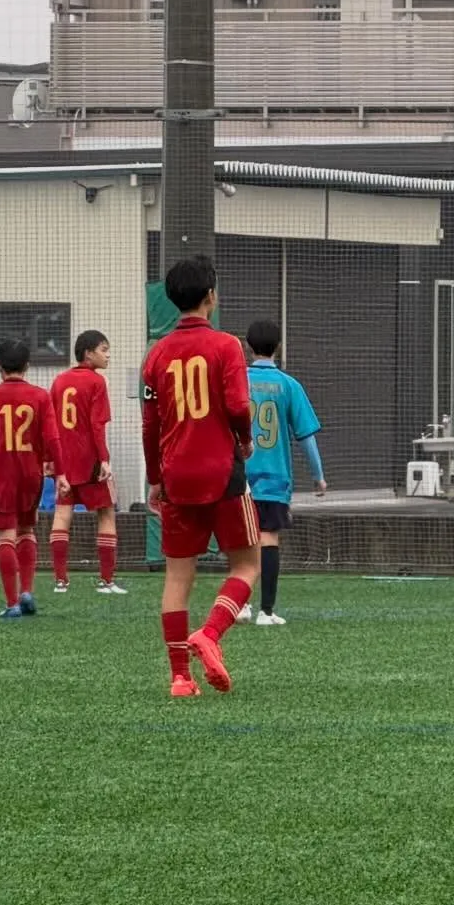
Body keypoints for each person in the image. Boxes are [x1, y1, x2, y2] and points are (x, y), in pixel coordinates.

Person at [141, 255, 261, 697]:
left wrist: (156, 477)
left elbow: (150, 425)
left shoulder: (156, 354)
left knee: (177, 577)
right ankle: (209, 634)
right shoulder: (226, 345)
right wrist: (244, 440)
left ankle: (180, 678)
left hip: (176, 474)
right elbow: (238, 406)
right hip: (222, 470)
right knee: (247, 564)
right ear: (211, 295)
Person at [0, 339, 69, 619]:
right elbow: (53, 439)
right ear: (27, 366)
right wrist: (60, 473)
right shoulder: (40, 397)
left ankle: (12, 604)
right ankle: (27, 591)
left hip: (3, 475)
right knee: (26, 530)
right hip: (32, 474)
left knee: (5, 535)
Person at [238, 318, 325, 627]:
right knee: (268, 537)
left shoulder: (237, 381)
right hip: (274, 478)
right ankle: (267, 611)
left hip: (239, 477)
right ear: (279, 347)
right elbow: (306, 436)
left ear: (247, 346)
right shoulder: (289, 385)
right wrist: (318, 475)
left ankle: (240, 605)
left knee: (242, 541)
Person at [48, 329, 125, 596]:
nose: (108, 355)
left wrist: (49, 459)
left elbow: (50, 425)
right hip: (90, 461)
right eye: (104, 350)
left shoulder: (59, 381)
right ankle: (106, 581)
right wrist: (104, 459)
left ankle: (60, 581)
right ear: (88, 354)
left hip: (64, 462)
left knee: (62, 514)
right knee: (106, 513)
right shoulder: (96, 382)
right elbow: (97, 425)